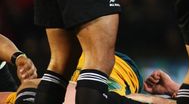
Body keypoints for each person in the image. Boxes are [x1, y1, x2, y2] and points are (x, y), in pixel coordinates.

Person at [0, 52, 178, 104]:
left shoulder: (24, 95)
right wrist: (174, 90)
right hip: (121, 69)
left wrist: (19, 58)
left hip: (87, 59)